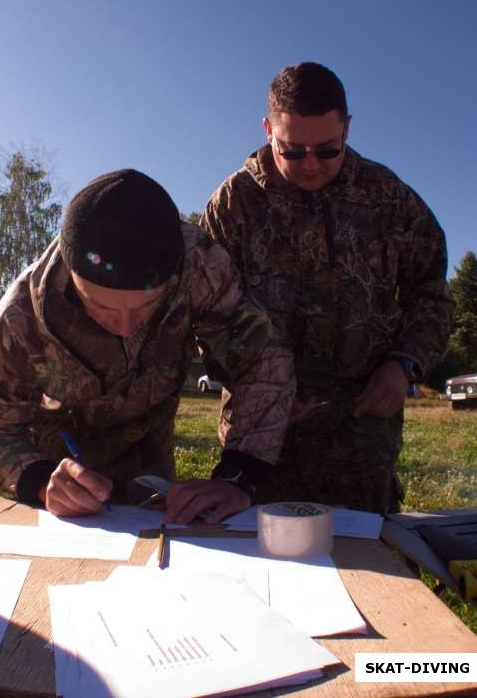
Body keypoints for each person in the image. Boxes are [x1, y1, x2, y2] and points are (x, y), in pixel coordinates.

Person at [193, 62, 453, 515]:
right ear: (267, 129)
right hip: (262, 435)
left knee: (369, 569)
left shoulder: (387, 197)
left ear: (347, 129)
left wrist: (402, 365)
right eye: (292, 151)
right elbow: (208, 316)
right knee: (258, 571)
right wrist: (260, 386)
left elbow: (430, 291)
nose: (311, 165)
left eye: (327, 149)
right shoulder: (232, 206)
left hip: (360, 432)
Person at [0, 169, 294, 523]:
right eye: (102, 307)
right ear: (72, 276)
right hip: (60, 477)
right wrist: (40, 480)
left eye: (144, 308)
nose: (124, 328)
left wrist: (238, 476)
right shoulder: (21, 316)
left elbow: (262, 362)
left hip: (150, 460)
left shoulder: (199, 265)